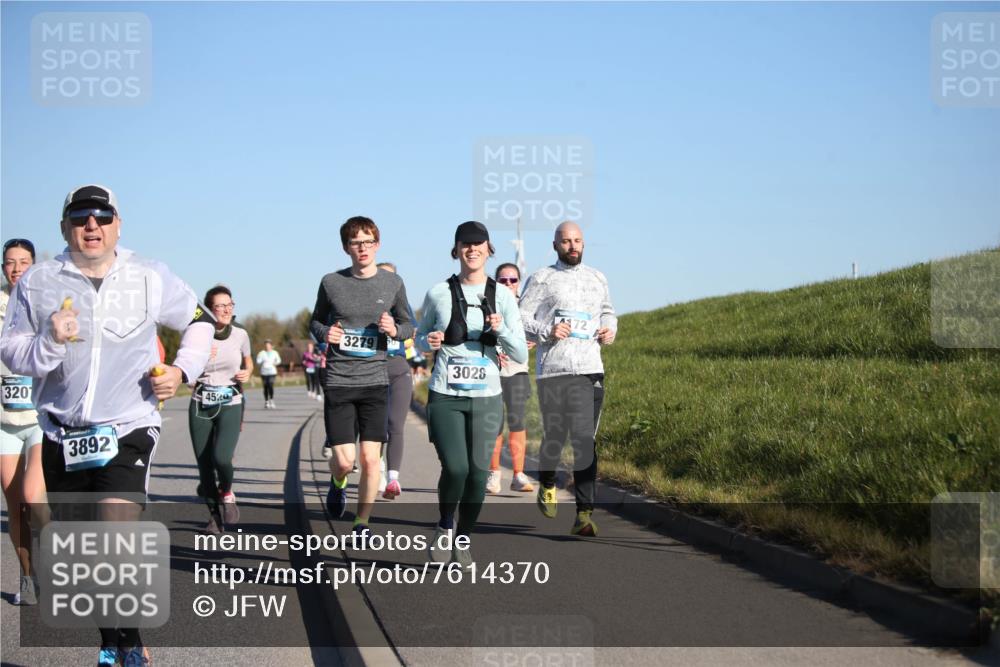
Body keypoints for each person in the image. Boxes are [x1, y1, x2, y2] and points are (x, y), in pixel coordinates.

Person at [0, 185, 214, 666]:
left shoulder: (148, 275)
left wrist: (183, 371)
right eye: (80, 218)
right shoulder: (36, 283)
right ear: (64, 228)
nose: (91, 226)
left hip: (128, 427)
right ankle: (114, 639)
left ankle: (128, 645)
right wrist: (50, 342)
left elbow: (201, 321)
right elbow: (11, 349)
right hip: (61, 433)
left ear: (118, 225)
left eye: (101, 216)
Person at [416, 221, 527, 567]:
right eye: (466, 244)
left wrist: (502, 328)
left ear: (489, 249)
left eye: (479, 244)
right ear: (456, 250)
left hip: (487, 395)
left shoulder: (504, 296)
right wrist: (427, 342)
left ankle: (463, 535)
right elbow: (418, 340)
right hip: (446, 393)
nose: (472, 249)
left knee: (480, 473)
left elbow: (521, 353)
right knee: (456, 467)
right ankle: (446, 523)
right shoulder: (438, 293)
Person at [309, 216, 413, 536]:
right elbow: (314, 323)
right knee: (344, 461)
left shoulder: (392, 284)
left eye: (368, 241)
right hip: (339, 381)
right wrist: (327, 333)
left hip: (374, 382)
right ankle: (338, 482)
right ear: (346, 248)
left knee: (370, 460)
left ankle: (362, 521)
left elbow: (409, 325)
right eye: (356, 242)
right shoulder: (331, 282)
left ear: (377, 245)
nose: (362, 248)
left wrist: (394, 330)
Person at [519, 221, 616, 537]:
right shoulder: (543, 278)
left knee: (585, 440)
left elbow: (607, 311)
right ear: (555, 245)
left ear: (584, 243)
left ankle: (584, 515)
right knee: (556, 436)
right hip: (554, 370)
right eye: (566, 241)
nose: (572, 246)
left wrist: (609, 328)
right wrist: (546, 331)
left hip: (589, 368)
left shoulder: (597, 277)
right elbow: (520, 316)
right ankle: (547, 481)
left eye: (577, 241)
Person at [0, 238, 44, 606]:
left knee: (34, 497)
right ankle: (29, 579)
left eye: (24, 261)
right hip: (4, 420)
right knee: (15, 506)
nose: (16, 268)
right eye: (10, 262)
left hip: (40, 417)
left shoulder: (47, 303)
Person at [189, 285, 252, 534]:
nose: (226, 310)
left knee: (222, 458)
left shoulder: (240, 335)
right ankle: (214, 517)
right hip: (200, 403)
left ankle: (226, 491)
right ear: (209, 309)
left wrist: (247, 372)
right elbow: (185, 364)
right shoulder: (196, 334)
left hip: (230, 401)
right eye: (220, 306)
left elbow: (248, 363)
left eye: (230, 305)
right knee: (204, 466)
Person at [486, 262, 535, 494]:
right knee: (494, 424)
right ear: (496, 282)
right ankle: (493, 473)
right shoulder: (488, 306)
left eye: (513, 280)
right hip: (493, 373)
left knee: (517, 421)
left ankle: (518, 474)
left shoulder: (525, 308)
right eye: (503, 280)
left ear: (519, 283)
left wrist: (534, 341)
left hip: (517, 371)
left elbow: (539, 332)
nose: (508, 284)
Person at [376, 262, 415, 499]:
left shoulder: (403, 304)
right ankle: (376, 467)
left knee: (395, 424)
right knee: (376, 426)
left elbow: (412, 331)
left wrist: (406, 337)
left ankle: (393, 479)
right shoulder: (364, 304)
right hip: (372, 368)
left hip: (399, 367)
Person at [256, 339, 281, 409]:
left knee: (270, 384)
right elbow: (258, 361)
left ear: (271, 346)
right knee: (265, 386)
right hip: (264, 372)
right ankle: (266, 401)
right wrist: (261, 360)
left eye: (268, 345)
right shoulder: (261, 353)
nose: (267, 346)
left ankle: (272, 400)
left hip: (272, 372)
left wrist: (275, 363)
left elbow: (279, 360)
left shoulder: (275, 353)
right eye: (266, 345)